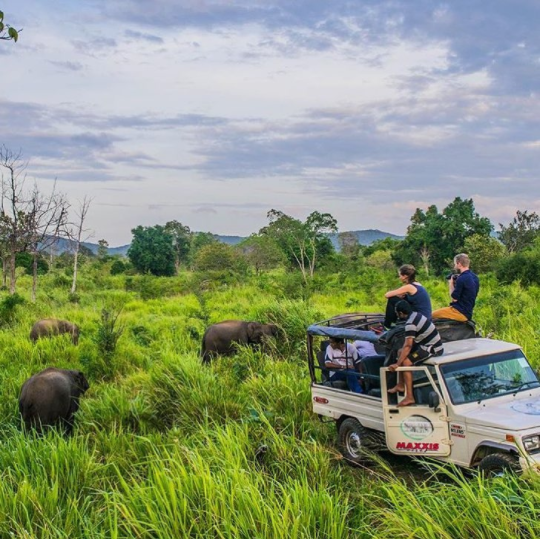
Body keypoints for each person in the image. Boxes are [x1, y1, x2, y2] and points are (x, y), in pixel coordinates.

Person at [388, 300, 443, 406]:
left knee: (406, 363)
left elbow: (408, 346)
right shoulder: (416, 315)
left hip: (432, 348)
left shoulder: (410, 324)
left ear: (400, 313)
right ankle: (400, 384)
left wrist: (397, 364)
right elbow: (406, 346)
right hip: (424, 344)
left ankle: (409, 397)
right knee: (400, 352)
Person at [432, 253, 479, 322]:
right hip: (468, 312)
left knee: (431, 315)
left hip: (459, 311)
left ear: (459, 264)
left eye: (455, 264)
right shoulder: (475, 277)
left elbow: (454, 299)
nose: (454, 266)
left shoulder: (461, 278)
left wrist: (451, 284)